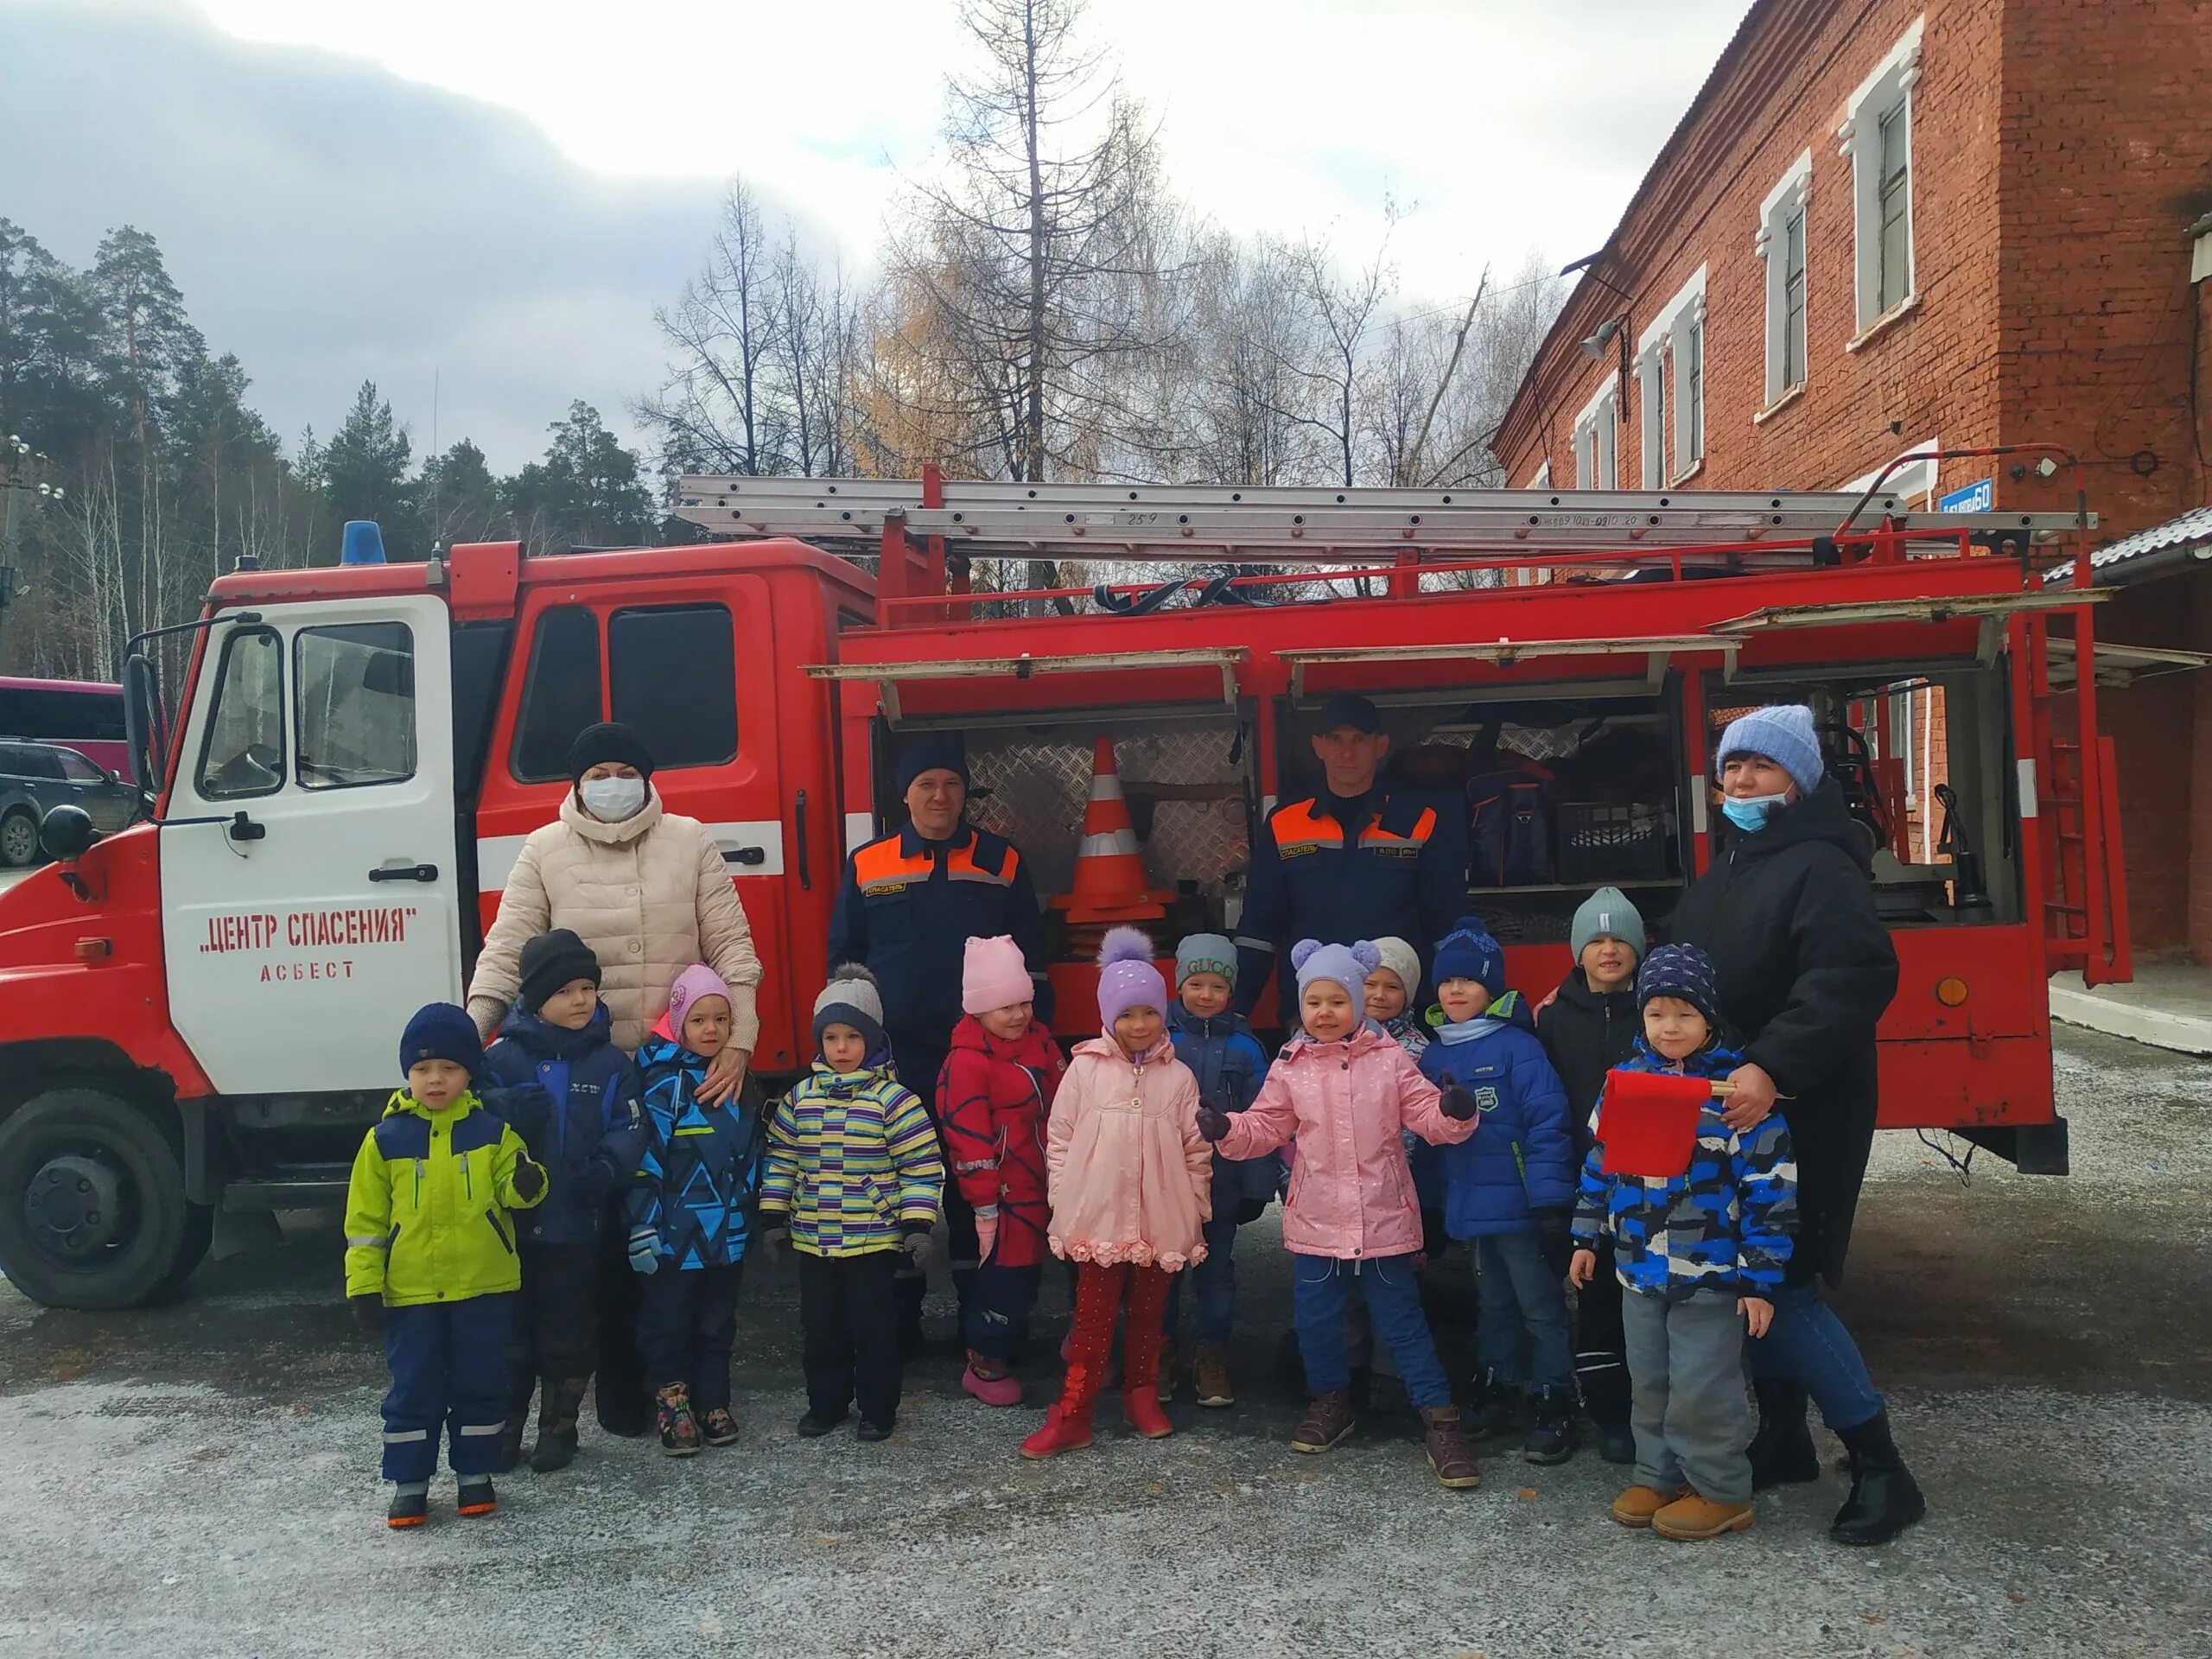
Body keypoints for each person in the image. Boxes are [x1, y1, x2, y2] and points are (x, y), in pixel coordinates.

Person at [1666, 703, 1924, 1546]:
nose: (1739, 782)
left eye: (1760, 768)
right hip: (1734, 1113)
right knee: (1749, 1280)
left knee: (1786, 1281)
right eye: (1731, 767)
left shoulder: (1819, 865)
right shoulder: (1734, 865)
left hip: (1800, 1109)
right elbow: (1682, 962)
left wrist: (1771, 1065)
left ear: (1799, 779)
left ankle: (1882, 1467)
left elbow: (1850, 977)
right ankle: (1782, 1438)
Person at [465, 721, 765, 1438]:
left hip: (675, 1074)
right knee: (597, 1237)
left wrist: (741, 1042)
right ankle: (615, 1397)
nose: (610, 781)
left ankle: (680, 1388)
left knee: (667, 1234)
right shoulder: (543, 851)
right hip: (586, 1073)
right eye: (595, 770)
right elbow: (507, 952)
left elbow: (732, 946)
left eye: (621, 769)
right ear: (575, 782)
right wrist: (469, 1038)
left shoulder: (690, 840)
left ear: (645, 776)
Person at [1200, 939, 1485, 1491]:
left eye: (1337, 1002)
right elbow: (1267, 1124)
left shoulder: (1390, 1059)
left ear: (1356, 1004)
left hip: (1383, 1217)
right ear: (1302, 1007)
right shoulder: (1290, 1064)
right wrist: (1229, 1129)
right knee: (1316, 1322)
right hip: (1317, 1221)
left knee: (1402, 1323)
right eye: (1314, 1003)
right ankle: (1331, 1401)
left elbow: (1427, 1115)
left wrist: (1455, 1113)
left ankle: (1441, 1422)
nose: (1325, 1013)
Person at [826, 735, 1053, 1344]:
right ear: (905, 793)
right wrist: (854, 1050)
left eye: (951, 784)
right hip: (896, 1056)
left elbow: (1031, 960)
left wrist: (1035, 1044)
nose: (940, 796)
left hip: (979, 1058)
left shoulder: (1001, 860)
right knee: (902, 1182)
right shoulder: (869, 863)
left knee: (980, 1180)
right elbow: (845, 959)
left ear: (965, 792)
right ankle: (898, 1328)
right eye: (926, 784)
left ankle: (985, 1326)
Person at [1569, 944, 1796, 1542]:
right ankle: (1658, 1475)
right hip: (1639, 1270)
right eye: (1656, 1015)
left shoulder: (1735, 1097)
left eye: (1684, 1015)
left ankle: (1721, 1491)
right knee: (1649, 1381)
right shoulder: (1626, 1085)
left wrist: (1760, 1280)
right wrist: (1587, 1234)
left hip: (1709, 1276)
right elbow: (1600, 1162)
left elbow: (1771, 1193)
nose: (1669, 1028)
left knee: (1703, 1387)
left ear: (1710, 1019)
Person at [343, 1004, 545, 1529]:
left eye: (449, 1068)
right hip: (410, 1294)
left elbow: (518, 1187)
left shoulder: (494, 1133)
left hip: (483, 1288)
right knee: (414, 1387)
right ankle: (410, 1484)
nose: (435, 1079)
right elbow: (364, 1222)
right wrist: (363, 1285)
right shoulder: (384, 1140)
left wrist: (527, 1184)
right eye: (423, 1069)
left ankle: (475, 1476)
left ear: (468, 1073)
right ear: (407, 1074)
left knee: (481, 1383)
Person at [1022, 930, 1214, 1459]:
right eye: (1127, 1015)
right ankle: (1074, 1411)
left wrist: (1195, 1204)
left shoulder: (1178, 1078)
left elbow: (1196, 1147)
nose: (1138, 1025)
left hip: (1161, 1217)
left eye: (1149, 1013)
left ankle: (1141, 1394)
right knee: (1092, 1318)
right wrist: (1063, 1197)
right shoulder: (1084, 1069)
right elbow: (1058, 1138)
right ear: (1108, 1017)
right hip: (1099, 1217)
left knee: (1152, 1315)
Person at [478, 930, 644, 1474]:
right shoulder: (501, 1058)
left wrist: (605, 1169)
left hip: (576, 1225)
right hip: (511, 1231)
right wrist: (503, 1108)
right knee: (509, 1337)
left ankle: (560, 1428)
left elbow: (631, 1125)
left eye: (587, 988)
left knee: (567, 1332)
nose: (580, 1000)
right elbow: (470, 1120)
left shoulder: (611, 1063)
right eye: (566, 990)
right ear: (535, 997)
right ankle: (504, 1430)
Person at [758, 964, 944, 1443]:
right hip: (815, 1239)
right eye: (832, 1037)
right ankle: (826, 1404)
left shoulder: (895, 1101)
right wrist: (774, 1216)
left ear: (874, 1039)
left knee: (874, 1330)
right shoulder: (799, 1099)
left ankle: (878, 1409)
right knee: (821, 1329)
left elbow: (920, 1165)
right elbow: (782, 1159)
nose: (841, 1049)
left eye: (853, 1037)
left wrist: (917, 1224)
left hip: (872, 1240)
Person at [1420, 918, 1580, 1465]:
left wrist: (1551, 1200)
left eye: (1468, 982)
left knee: (1540, 1307)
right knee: (1491, 1305)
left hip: (1519, 1207)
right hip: (1469, 1208)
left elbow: (1549, 1122)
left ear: (1492, 989)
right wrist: (1433, 1205)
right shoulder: (1434, 1055)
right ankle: (1497, 1386)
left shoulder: (1517, 1047)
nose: (1455, 991)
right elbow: (1427, 1141)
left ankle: (1555, 1397)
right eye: (1446, 983)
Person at [1233, 693, 1469, 1020]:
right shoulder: (1285, 823)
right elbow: (1259, 927)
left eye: (1359, 739)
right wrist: (1235, 1011)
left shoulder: (1419, 820)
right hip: (1316, 1014)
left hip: (1395, 1014)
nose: (1346, 752)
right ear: (1318, 746)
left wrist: (1471, 1002)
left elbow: (1446, 921)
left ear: (1381, 745)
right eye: (1335, 739)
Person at [628, 965, 764, 1458]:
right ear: (679, 1024)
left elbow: (751, 1158)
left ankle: (713, 1402)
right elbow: (645, 1163)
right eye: (699, 1020)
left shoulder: (741, 1085)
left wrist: (755, 1218)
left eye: (722, 1020)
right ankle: (673, 1403)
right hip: (673, 1238)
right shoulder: (662, 1088)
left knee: (717, 1323)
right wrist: (642, 1225)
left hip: (724, 1236)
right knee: (668, 1323)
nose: (711, 1030)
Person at [1534, 887, 1647, 1465]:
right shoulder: (1552, 1019)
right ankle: (1609, 1413)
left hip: (1652, 1188)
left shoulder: (1657, 1013)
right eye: (1596, 940)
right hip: (1585, 1184)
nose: (1609, 950)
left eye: (1620, 939)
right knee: (1596, 1298)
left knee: (1647, 1299)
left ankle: (1651, 1408)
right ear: (1577, 952)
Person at [938, 935, 1066, 1407]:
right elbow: (966, 1138)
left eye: (1023, 1003)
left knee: (1075, 1261)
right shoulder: (966, 1064)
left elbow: (1068, 1100)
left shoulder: (1043, 1043)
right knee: (1008, 1277)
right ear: (977, 1010)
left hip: (1055, 1179)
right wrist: (985, 1201)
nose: (1018, 1016)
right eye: (1004, 1007)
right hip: (1007, 1191)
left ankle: (1082, 1344)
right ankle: (986, 1361)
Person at [1161, 931, 1275, 1408]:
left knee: (1216, 1274)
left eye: (1216, 987)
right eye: (1196, 985)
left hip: (1223, 1182)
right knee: (1161, 1273)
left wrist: (1258, 1185)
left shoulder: (1247, 1050)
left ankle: (1212, 1354)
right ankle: (1159, 1354)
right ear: (1179, 985)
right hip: (1163, 1183)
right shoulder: (1159, 1041)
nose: (1205, 995)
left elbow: (1264, 1118)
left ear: (1231, 993)